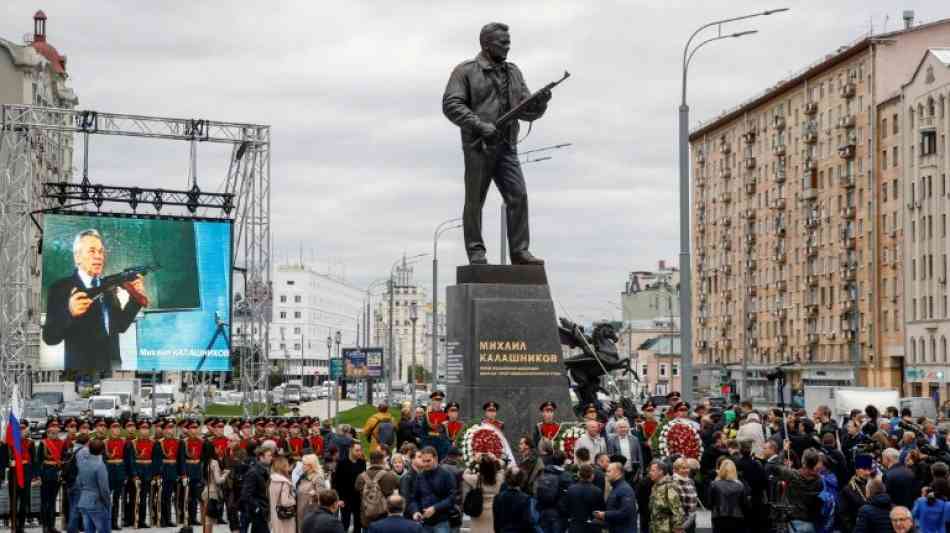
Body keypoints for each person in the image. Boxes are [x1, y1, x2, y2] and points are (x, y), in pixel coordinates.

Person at [442, 21, 552, 265]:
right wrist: (480, 125)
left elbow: (526, 110)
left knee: (518, 196)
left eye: (509, 43)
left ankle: (520, 251)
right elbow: (451, 105)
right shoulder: (466, 71)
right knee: (475, 201)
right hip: (479, 147)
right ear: (485, 44)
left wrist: (540, 103)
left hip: (507, 147)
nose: (507, 47)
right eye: (502, 43)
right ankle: (476, 251)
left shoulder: (514, 72)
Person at [42, 228, 149, 372]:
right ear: (77, 257)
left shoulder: (107, 286)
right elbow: (50, 338)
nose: (98, 256)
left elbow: (120, 326)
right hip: (81, 374)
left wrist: (135, 299)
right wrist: (69, 313)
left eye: (101, 252)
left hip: (113, 371)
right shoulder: (60, 288)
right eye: (92, 251)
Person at [764, 446, 823, 532]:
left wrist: (784, 450)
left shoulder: (793, 476)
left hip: (794, 521)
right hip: (811, 522)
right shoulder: (819, 481)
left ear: (804, 462)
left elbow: (774, 466)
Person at [406, 446, 458, 533]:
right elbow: (414, 498)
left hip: (442, 521)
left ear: (436, 458)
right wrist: (415, 511)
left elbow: (452, 498)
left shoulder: (446, 474)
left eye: (428, 461)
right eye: (423, 461)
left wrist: (435, 508)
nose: (426, 464)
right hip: (425, 522)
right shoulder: (420, 476)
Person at [356, 449, 402, 526]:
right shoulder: (391, 476)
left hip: (367, 518)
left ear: (370, 461)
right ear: (382, 460)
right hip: (385, 519)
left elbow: (357, 490)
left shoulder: (360, 477)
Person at [37, 420, 68, 533]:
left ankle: (52, 526)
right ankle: (45, 526)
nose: (55, 434)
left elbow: (64, 459)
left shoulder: (61, 443)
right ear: (48, 433)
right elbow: (39, 460)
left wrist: (62, 472)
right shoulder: (43, 443)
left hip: (56, 474)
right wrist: (38, 476)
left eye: (56, 432)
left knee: (53, 501)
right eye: (52, 432)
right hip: (46, 473)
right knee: (45, 502)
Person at [462, 453, 503, 533]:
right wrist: (494, 460)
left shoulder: (476, 479)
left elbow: (465, 474)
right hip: (492, 511)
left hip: (477, 510)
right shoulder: (498, 478)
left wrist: (474, 461)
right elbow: (501, 470)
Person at [75, 439, 111, 533]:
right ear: (103, 450)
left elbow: (78, 482)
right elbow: (104, 489)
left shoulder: (83, 463)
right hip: (97, 502)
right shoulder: (100, 466)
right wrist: (107, 503)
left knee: (88, 530)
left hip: (84, 501)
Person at [594, 462, 637, 533]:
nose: (606, 474)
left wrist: (604, 514)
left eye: (609, 471)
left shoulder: (624, 489)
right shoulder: (615, 488)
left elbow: (625, 512)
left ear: (618, 473)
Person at [335, 441, 367, 533]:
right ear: (351, 450)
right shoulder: (342, 463)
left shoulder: (362, 462)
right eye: (357, 450)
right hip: (345, 498)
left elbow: (363, 480)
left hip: (358, 499)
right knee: (345, 523)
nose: (359, 452)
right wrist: (339, 499)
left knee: (358, 523)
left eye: (360, 450)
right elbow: (337, 482)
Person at [563, 464, 605, 533]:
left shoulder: (571, 489)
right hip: (593, 527)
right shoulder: (597, 491)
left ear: (579, 474)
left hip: (575, 526)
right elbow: (601, 509)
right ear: (592, 476)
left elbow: (565, 507)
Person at [707, 459, 746, 533]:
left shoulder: (714, 484)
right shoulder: (740, 485)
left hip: (718, 516)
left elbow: (709, 503)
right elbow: (744, 503)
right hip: (736, 516)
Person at [493, 468, 536, 533]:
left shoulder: (498, 497)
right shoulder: (526, 499)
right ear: (522, 480)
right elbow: (528, 522)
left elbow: (496, 521)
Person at [242, 443, 274, 533]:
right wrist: (257, 508)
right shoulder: (253, 472)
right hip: (258, 512)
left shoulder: (264, 470)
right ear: (261, 457)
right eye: (269, 456)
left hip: (262, 511)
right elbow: (245, 494)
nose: (271, 458)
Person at [646, 460, 684, 533]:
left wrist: (677, 528)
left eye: (653, 471)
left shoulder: (669, 486)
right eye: (650, 470)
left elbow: (677, 509)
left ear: (661, 472)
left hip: (666, 529)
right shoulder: (655, 486)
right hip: (656, 528)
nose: (650, 473)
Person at [202, 439, 231, 533]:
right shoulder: (214, 462)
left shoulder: (204, 462)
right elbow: (218, 481)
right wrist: (226, 474)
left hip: (206, 490)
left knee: (206, 519)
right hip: (213, 492)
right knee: (209, 521)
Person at [607, 419, 643, 483]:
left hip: (632, 471)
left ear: (628, 428)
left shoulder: (634, 439)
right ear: (616, 429)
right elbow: (610, 457)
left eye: (625, 427)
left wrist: (641, 471)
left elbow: (639, 456)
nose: (623, 429)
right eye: (621, 427)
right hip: (618, 472)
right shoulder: (611, 440)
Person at [296, 454, 326, 530]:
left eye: (304, 464)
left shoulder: (318, 478)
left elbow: (323, 497)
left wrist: (315, 494)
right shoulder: (303, 477)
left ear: (310, 465)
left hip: (311, 514)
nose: (302, 466)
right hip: (301, 512)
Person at [269, 456, 296, 533]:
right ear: (284, 467)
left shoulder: (272, 480)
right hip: (284, 518)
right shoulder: (285, 483)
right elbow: (285, 502)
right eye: (287, 465)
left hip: (275, 515)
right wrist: (293, 500)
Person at [671, 458, 698, 533]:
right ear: (676, 470)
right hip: (679, 522)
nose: (686, 470)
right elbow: (673, 506)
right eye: (683, 468)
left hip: (691, 520)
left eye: (687, 468)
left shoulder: (690, 481)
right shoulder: (673, 482)